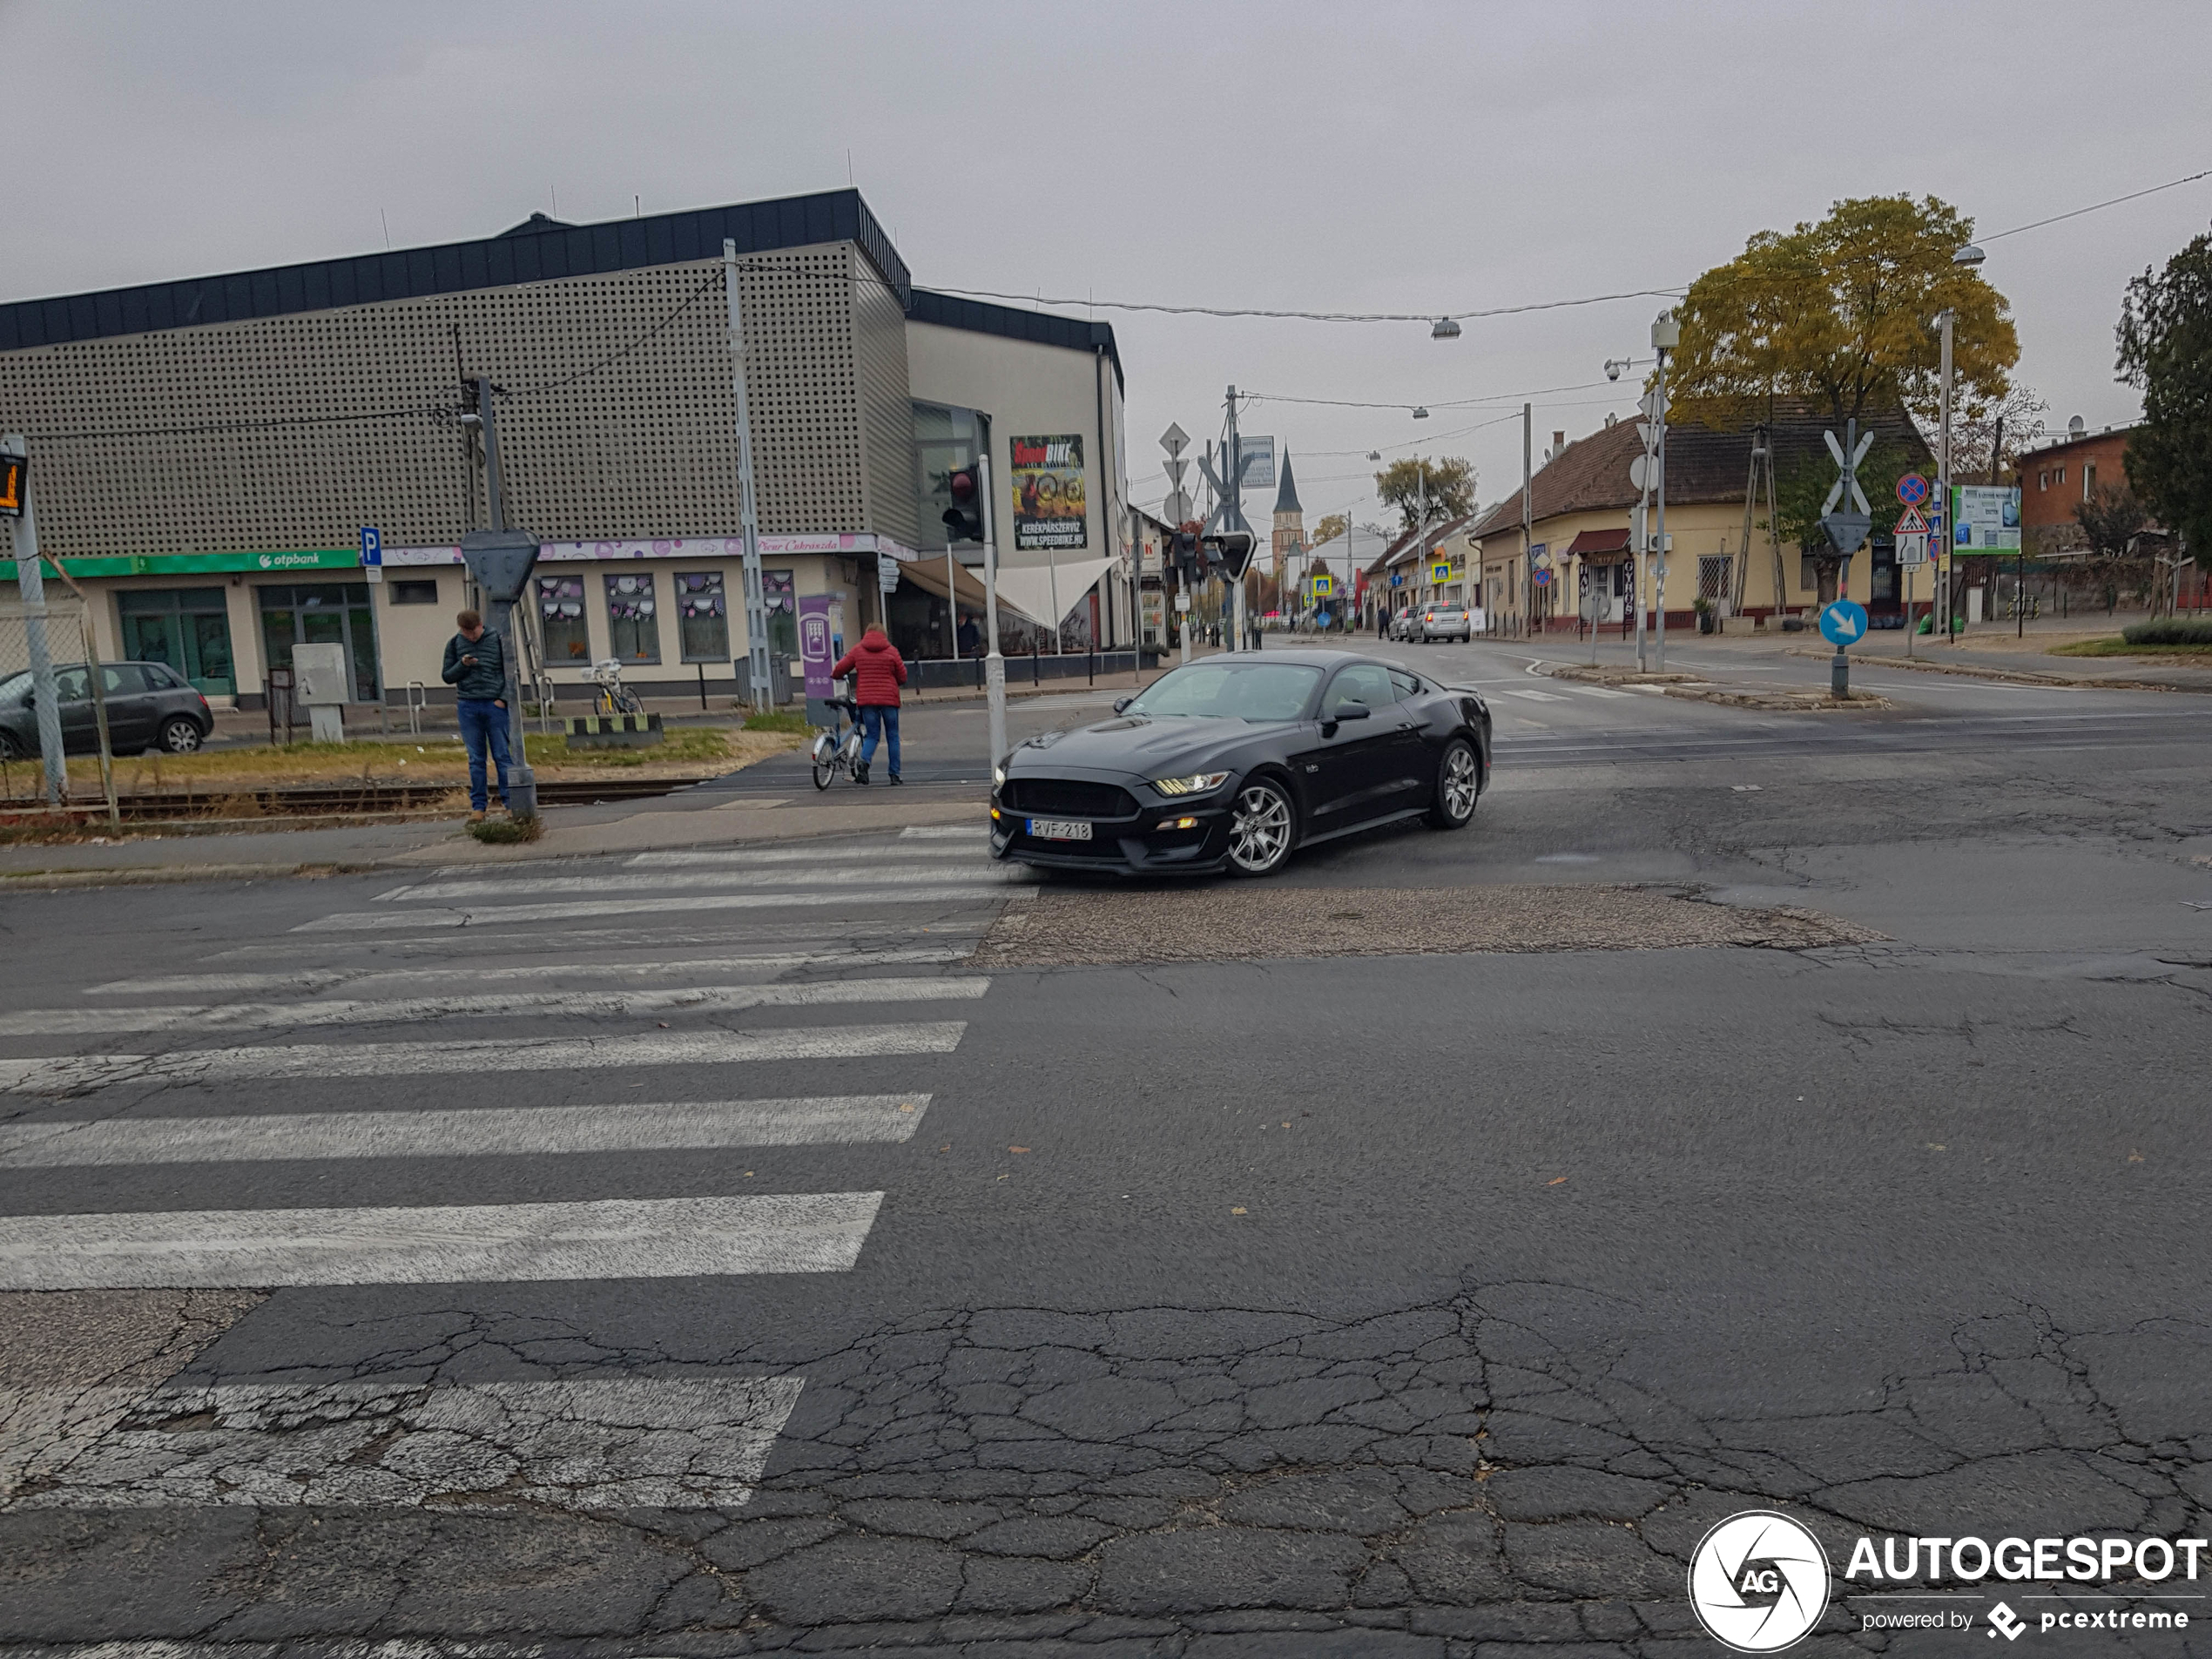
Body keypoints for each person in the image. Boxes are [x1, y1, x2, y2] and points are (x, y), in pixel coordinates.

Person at [442, 609, 511, 821]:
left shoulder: (498, 641)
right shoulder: (454, 644)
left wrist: (502, 699)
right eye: (466, 633)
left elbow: (510, 671)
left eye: (473, 632)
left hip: (494, 704)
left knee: (502, 756)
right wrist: (462, 665)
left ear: (481, 625)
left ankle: (510, 803)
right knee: (476, 759)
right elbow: (447, 676)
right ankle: (478, 808)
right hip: (468, 705)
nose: (471, 637)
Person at [831, 622, 907, 785]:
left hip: (867, 700)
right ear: (884, 635)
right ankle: (894, 775)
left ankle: (864, 763)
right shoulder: (892, 651)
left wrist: (837, 676)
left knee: (872, 735)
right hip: (889, 699)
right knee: (892, 736)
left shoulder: (858, 650)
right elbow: (902, 677)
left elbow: (839, 670)